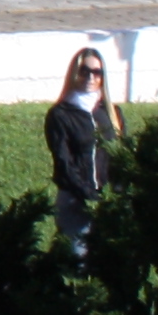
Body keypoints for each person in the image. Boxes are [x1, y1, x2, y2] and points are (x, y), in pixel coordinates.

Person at [46, 38, 121, 262]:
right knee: (79, 261)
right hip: (74, 201)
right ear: (74, 73)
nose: (90, 77)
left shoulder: (111, 113)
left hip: (108, 202)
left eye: (96, 72)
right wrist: (89, 195)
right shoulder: (61, 114)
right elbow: (64, 161)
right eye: (84, 71)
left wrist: (114, 194)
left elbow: (119, 157)